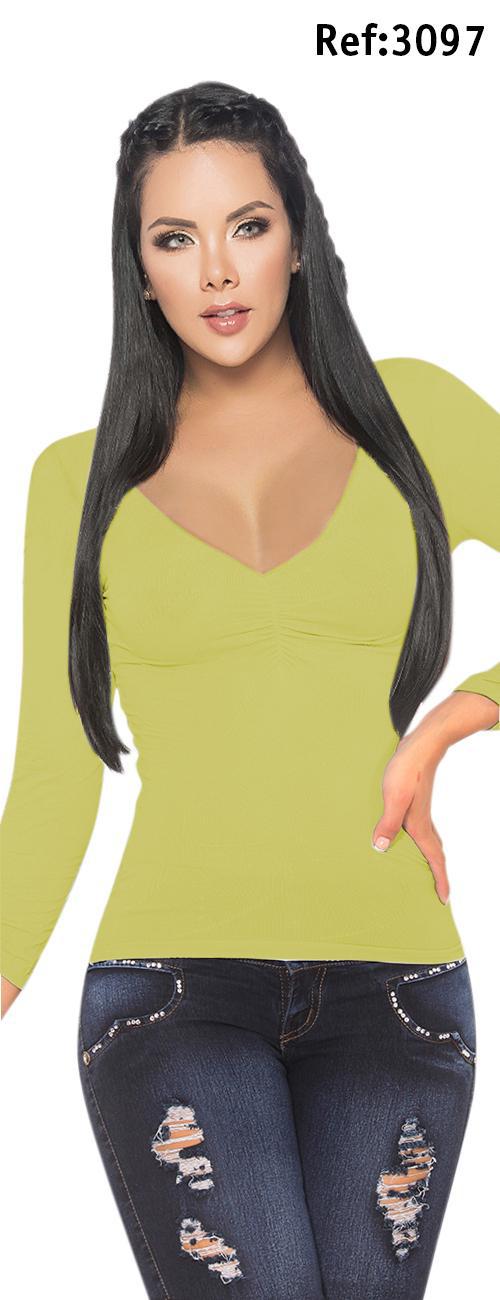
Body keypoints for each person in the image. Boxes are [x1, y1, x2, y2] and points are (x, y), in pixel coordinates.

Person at [1, 80, 499, 1299]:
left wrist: (448, 721)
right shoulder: (77, 480)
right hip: (171, 990)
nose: (218, 271)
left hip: (399, 990)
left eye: (247, 225)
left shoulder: (416, 416)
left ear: (298, 238)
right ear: (139, 270)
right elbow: (56, 773)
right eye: (175, 238)